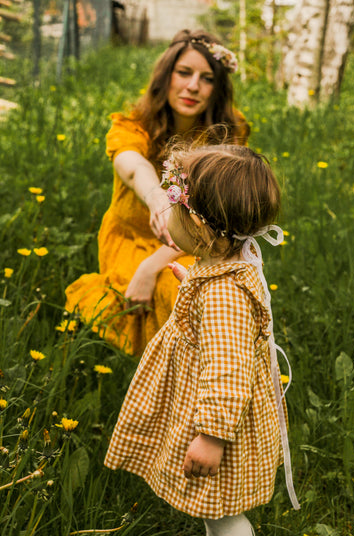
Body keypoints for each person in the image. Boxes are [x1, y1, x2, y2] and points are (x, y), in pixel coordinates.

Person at [104, 144, 300, 536]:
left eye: (173, 205)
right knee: (213, 495)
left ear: (199, 225)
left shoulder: (223, 297)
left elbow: (229, 373)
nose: (165, 214)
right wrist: (191, 286)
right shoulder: (220, 268)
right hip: (211, 411)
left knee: (229, 507)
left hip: (222, 425)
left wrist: (211, 437)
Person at [65, 29, 249, 356]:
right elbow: (133, 165)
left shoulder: (228, 133)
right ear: (166, 76)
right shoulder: (132, 126)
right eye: (184, 73)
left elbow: (220, 216)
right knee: (177, 291)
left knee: (200, 290)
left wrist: (151, 267)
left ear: (218, 87)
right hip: (131, 239)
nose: (193, 86)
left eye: (206, 78)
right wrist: (157, 197)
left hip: (199, 240)